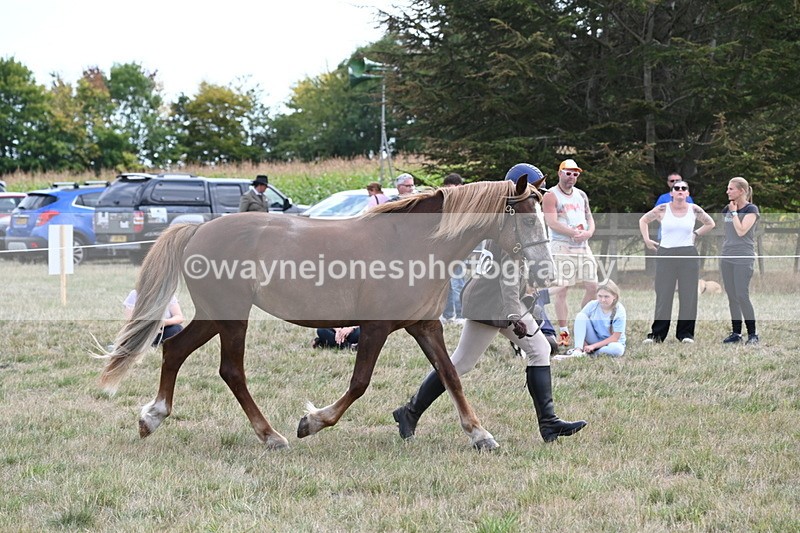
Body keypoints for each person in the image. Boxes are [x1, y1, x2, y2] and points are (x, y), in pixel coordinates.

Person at [392, 165, 587, 444]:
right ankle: (548, 424)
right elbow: (507, 277)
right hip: (492, 302)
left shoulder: (507, 217)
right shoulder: (511, 222)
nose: (542, 192)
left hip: (494, 299)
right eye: (538, 186)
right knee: (468, 361)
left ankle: (549, 423)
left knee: (477, 360)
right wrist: (512, 312)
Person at [639, 180, 715, 343]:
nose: (680, 190)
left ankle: (685, 334)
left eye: (683, 188)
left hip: (688, 254)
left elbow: (710, 223)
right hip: (666, 254)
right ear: (671, 192)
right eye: (677, 188)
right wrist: (647, 239)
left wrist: (695, 234)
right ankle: (657, 335)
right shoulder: (662, 209)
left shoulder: (694, 209)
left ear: (687, 193)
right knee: (663, 294)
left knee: (688, 295)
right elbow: (643, 220)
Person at [542, 158, 598, 350]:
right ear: (560, 173)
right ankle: (563, 331)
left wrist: (588, 233)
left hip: (583, 246)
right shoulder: (551, 194)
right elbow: (551, 222)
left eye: (575, 174)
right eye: (568, 173)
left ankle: (580, 325)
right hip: (561, 246)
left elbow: (589, 217)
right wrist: (573, 233)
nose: (572, 177)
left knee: (593, 286)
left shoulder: (581, 195)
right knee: (562, 287)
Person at [720, 177, 760, 345]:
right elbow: (728, 233)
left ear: (741, 191)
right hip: (727, 256)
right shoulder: (726, 209)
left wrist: (735, 213)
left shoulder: (751, 209)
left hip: (743, 257)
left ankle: (752, 334)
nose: (727, 191)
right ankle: (736, 333)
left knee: (742, 295)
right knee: (732, 296)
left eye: (731, 189)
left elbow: (741, 230)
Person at [554, 280, 627, 359]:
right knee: (580, 316)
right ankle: (578, 351)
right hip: (594, 338)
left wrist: (593, 346)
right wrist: (585, 345)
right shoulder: (593, 305)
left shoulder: (619, 310)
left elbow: (615, 338)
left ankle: (590, 353)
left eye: (606, 296)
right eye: (600, 296)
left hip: (611, 343)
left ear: (614, 296)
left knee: (618, 350)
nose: (602, 300)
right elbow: (579, 326)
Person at [440, 173, 466, 324]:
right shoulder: (446, 204)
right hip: (445, 249)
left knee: (458, 283)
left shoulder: (465, 206)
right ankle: (448, 314)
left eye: (453, 188)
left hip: (458, 249)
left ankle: (462, 315)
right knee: (446, 284)